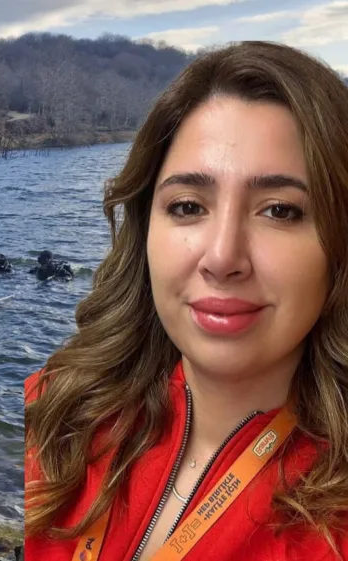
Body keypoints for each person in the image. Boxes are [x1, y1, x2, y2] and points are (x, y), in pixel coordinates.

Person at [25, 42, 348, 561]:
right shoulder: (54, 410)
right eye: (189, 206)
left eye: (280, 211)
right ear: (145, 228)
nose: (222, 258)